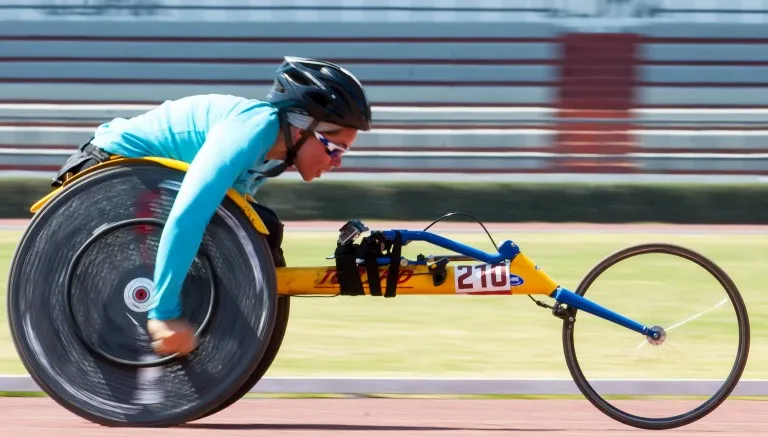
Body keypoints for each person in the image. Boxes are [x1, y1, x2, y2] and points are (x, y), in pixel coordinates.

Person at [51, 56, 372, 356]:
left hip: (149, 181)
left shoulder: (273, 155)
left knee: (267, 228)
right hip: (104, 168)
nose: (338, 162)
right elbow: (188, 215)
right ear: (303, 130)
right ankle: (160, 319)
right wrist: (163, 314)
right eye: (336, 149)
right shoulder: (252, 131)